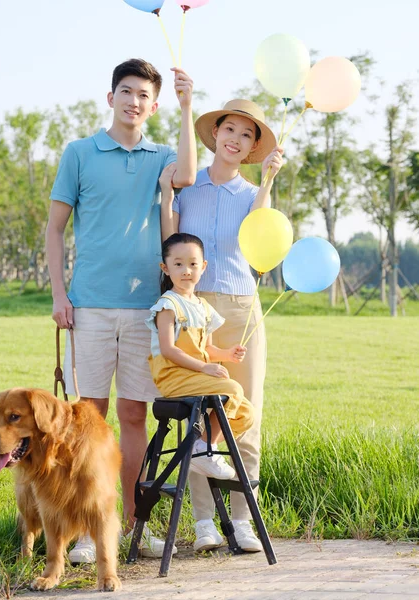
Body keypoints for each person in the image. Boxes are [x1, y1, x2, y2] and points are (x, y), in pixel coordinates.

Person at [45, 58, 197, 563]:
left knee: (135, 413)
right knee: (89, 417)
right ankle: (89, 529)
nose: (134, 101)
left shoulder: (160, 159)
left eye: (144, 96)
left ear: (152, 106)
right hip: (88, 305)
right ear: (110, 97)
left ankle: (131, 523)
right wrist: (59, 295)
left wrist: (186, 107)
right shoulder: (80, 153)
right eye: (126, 92)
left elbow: (190, 175)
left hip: (143, 309)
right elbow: (54, 229)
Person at [160, 99, 283, 553]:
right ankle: (204, 523)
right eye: (228, 128)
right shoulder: (188, 191)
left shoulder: (254, 194)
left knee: (245, 414)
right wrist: (167, 193)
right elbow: (167, 240)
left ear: (252, 147)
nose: (235, 138)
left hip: (242, 309)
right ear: (215, 136)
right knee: (196, 416)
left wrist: (269, 182)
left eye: (246, 134)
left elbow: (259, 243)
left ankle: (243, 520)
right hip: (194, 309)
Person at [146, 231, 254, 480]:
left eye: (193, 264)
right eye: (178, 264)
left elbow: (206, 349)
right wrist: (205, 368)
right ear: (166, 268)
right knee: (234, 389)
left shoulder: (203, 308)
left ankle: (204, 446)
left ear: (203, 267)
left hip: (195, 375)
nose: (186, 271)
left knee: (246, 412)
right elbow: (168, 349)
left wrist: (227, 354)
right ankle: (204, 451)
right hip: (173, 376)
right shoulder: (168, 305)